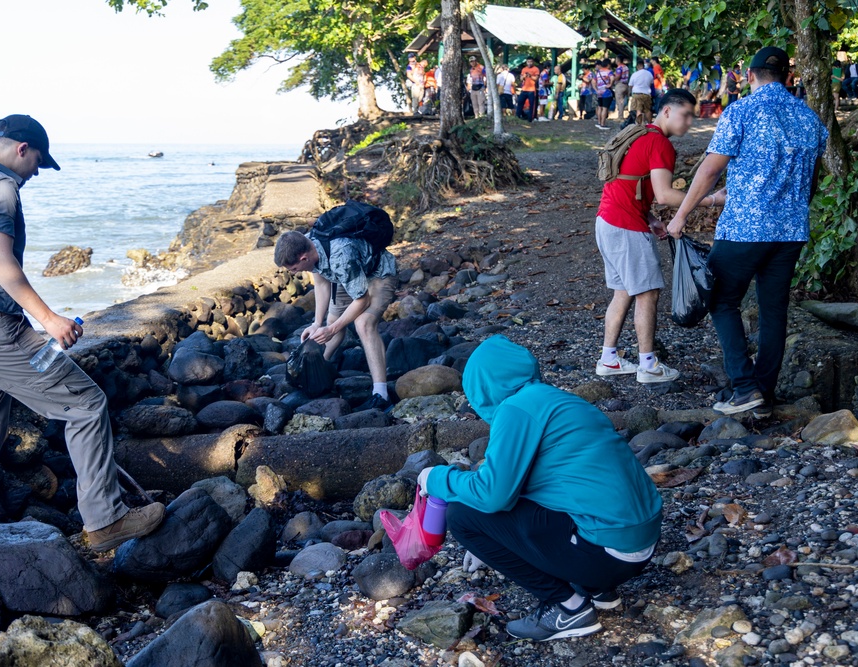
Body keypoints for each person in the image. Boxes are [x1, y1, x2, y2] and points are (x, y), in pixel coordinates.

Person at [0, 115, 166, 578]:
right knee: (87, 403)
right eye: (37, 161)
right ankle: (106, 520)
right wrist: (49, 319)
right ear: (21, 148)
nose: (36, 172)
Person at [416, 335, 663, 641]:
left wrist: (434, 478)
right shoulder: (560, 400)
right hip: (641, 542)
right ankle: (597, 589)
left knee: (461, 516)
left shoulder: (515, 409)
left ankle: (567, 609)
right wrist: (497, 542)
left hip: (609, 552)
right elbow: (539, 481)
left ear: (481, 386)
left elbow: (492, 494)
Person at [667, 46, 828, 417]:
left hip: (746, 227)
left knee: (721, 300)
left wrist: (681, 217)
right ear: (788, 77)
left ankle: (744, 387)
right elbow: (812, 180)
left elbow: (709, 171)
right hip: (791, 231)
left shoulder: (741, 110)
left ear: (749, 75)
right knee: (774, 313)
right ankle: (764, 395)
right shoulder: (808, 117)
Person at [594, 89, 725, 384]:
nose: (690, 122)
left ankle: (609, 359)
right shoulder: (660, 143)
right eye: (686, 114)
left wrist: (650, 217)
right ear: (666, 111)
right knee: (648, 292)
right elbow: (665, 194)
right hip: (626, 227)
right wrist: (712, 199)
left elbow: (628, 183)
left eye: (693, 116)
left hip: (606, 221)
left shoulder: (637, 134)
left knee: (624, 290)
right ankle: (648, 365)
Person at [273, 227, 399, 412]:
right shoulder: (310, 242)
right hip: (348, 275)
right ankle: (315, 373)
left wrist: (331, 330)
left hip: (378, 273)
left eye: (293, 269)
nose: (293, 273)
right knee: (332, 320)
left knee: (363, 323)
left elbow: (362, 300)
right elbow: (322, 284)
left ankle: (381, 395)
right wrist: (317, 323)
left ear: (303, 258)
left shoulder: (340, 255)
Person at [516, 57, 540, 121]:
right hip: (524, 89)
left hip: (531, 90)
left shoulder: (536, 69)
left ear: (533, 62)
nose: (529, 63)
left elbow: (536, 79)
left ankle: (530, 119)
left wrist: (530, 76)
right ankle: (518, 117)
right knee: (520, 103)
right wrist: (524, 76)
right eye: (528, 62)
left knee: (532, 105)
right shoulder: (524, 69)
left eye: (531, 62)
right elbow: (521, 79)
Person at [593, 59, 615, 130]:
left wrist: (596, 89)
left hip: (599, 92)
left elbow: (593, 81)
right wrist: (610, 84)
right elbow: (612, 78)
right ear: (608, 64)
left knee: (600, 107)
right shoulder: (609, 72)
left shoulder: (598, 73)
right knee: (605, 108)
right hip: (606, 92)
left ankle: (599, 122)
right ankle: (603, 124)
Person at [613, 55, 631, 120]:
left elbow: (617, 77)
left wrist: (613, 78)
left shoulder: (619, 67)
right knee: (624, 100)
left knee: (619, 101)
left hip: (620, 85)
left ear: (618, 60)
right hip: (626, 85)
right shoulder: (626, 67)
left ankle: (620, 117)